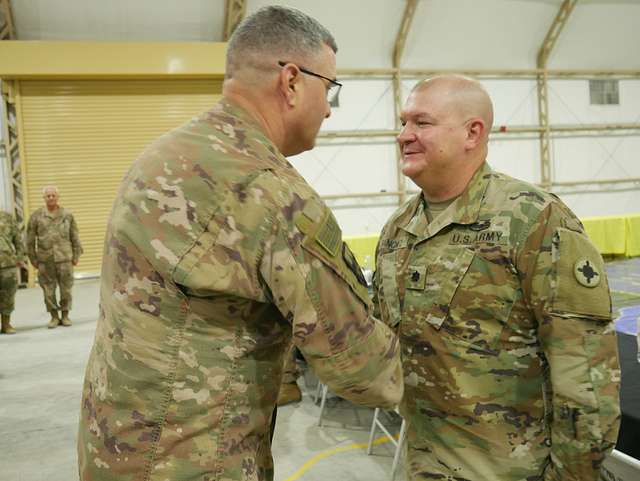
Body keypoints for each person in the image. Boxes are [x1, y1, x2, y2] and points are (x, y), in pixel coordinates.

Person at [77, 6, 403, 481]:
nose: (330, 108)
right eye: (330, 88)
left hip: (115, 447)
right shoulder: (269, 193)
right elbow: (360, 364)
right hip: (192, 461)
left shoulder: (166, 153)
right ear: (291, 81)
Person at [373, 75, 620, 481]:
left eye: (421, 122)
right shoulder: (398, 231)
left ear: (473, 132)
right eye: (403, 123)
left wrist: (573, 475)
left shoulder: (533, 220)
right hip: (422, 465)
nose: (404, 136)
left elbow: (586, 373)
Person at [27, 186, 82, 328]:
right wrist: (33, 259)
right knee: (48, 289)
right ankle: (54, 317)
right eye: (48, 196)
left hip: (64, 258)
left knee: (66, 289)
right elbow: (30, 240)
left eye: (53, 195)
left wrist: (76, 255)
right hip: (46, 260)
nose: (51, 198)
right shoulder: (36, 216)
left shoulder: (67, 215)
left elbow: (74, 236)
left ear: (58, 197)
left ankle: (65, 315)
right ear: (44, 198)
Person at [0, 210, 25, 334]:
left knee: (8, 296)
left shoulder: (7, 217)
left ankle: (6, 324)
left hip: (7, 263)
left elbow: (18, 240)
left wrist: (20, 258)